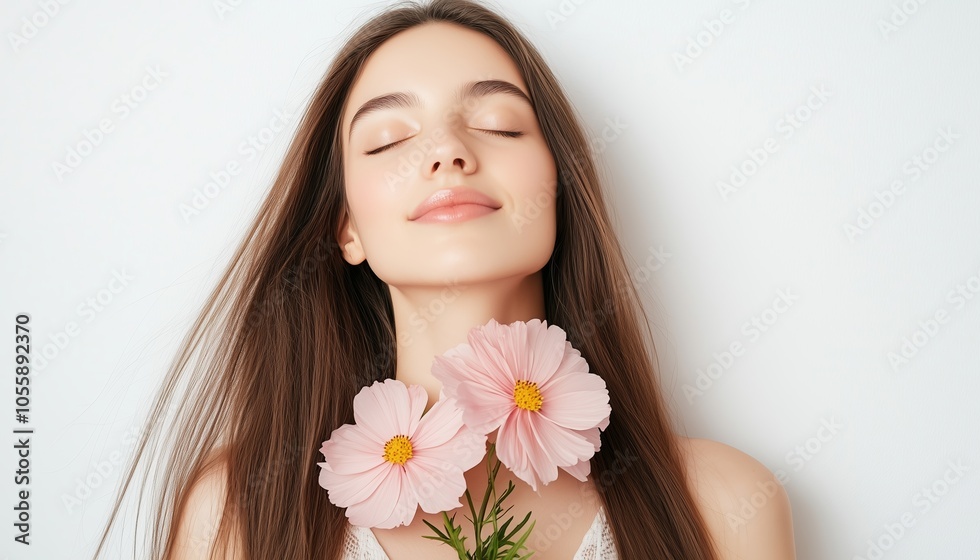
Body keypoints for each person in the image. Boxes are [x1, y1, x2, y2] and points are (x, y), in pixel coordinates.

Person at [91, 1, 796, 558]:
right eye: (389, 139)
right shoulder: (242, 512)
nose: (447, 152)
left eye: (498, 124)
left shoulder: (720, 502)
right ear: (347, 228)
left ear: (561, 187)